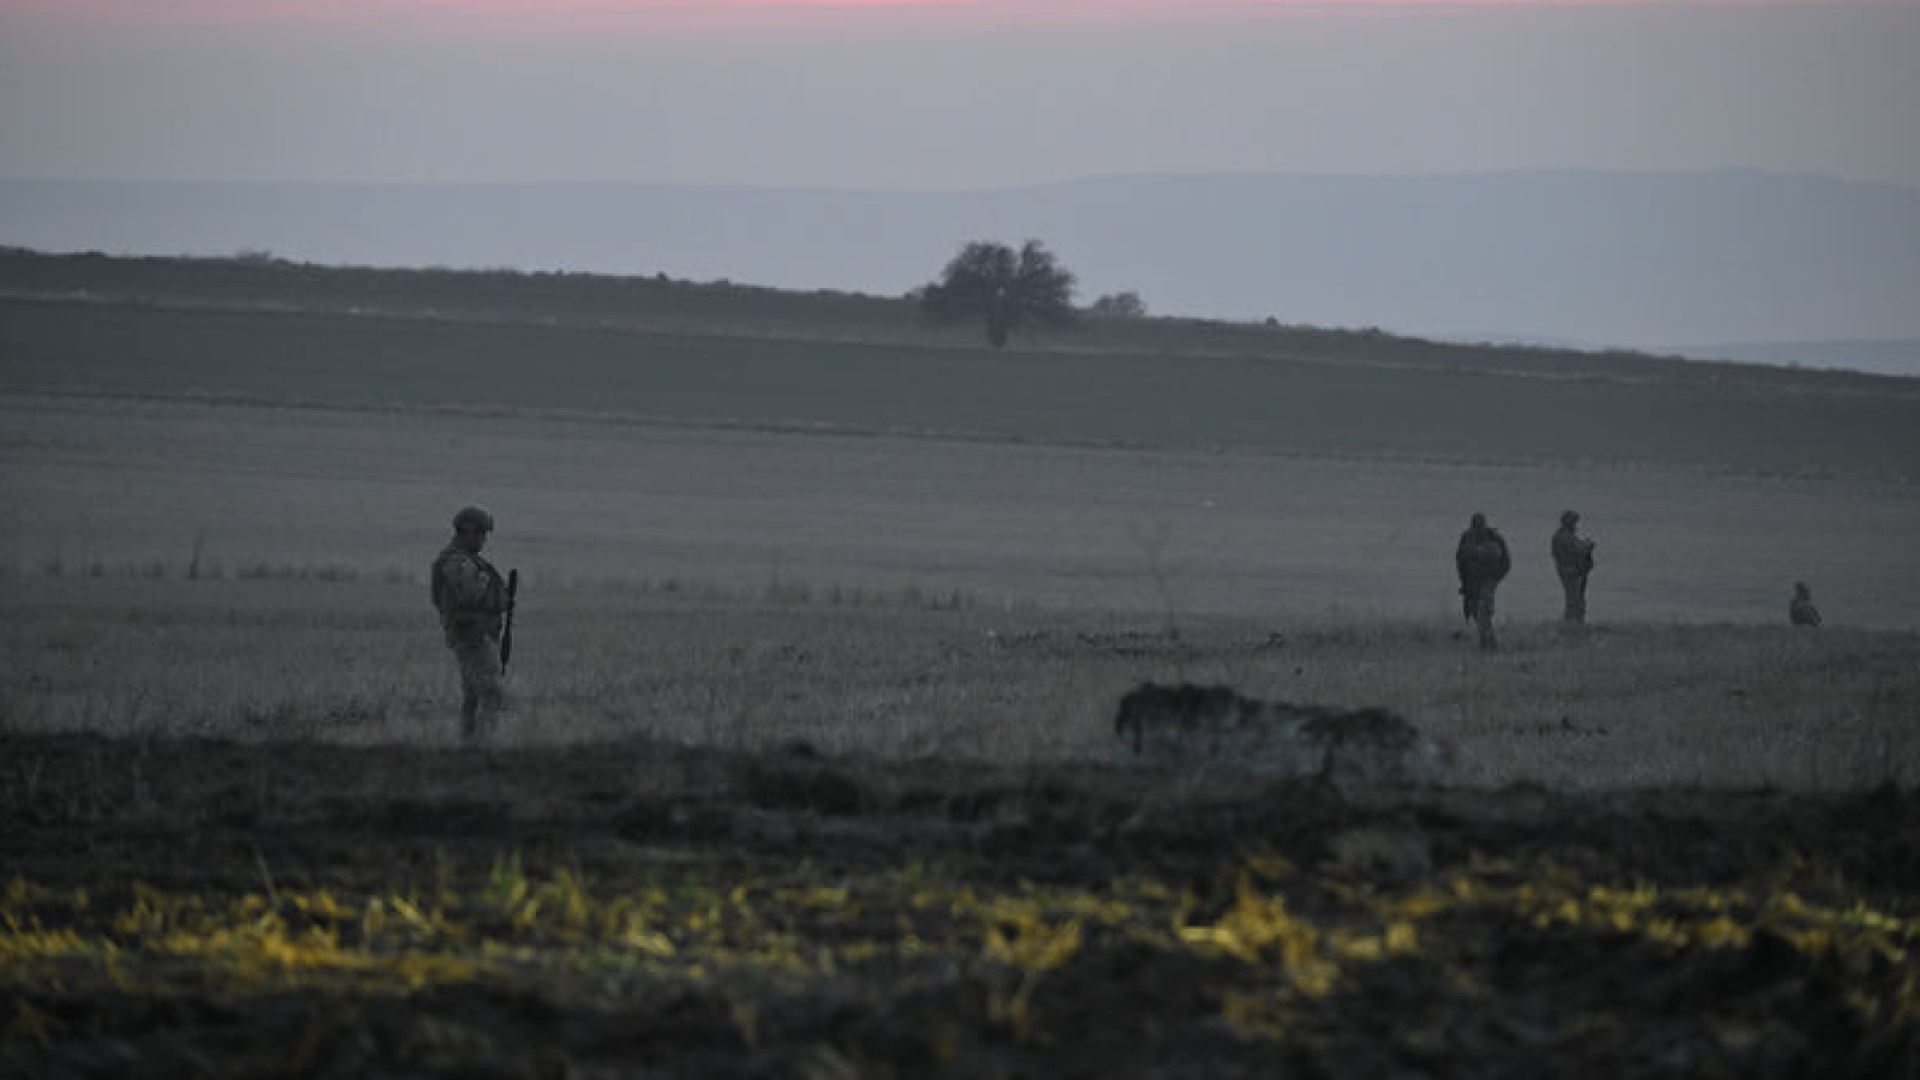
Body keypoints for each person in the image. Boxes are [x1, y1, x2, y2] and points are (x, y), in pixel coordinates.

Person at [431, 505, 510, 740]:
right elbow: (472, 593)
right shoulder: (453, 561)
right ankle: (482, 746)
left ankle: (468, 746)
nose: (484, 540)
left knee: (474, 697)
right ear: (467, 532)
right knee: (491, 694)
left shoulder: (466, 560)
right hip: (472, 637)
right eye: (481, 534)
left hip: (479, 635)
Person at [1455, 512, 1511, 651]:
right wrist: (1464, 581)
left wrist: (1495, 579)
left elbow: (1506, 563)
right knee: (1475, 613)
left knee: (1484, 612)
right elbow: (1460, 561)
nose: (1478, 529)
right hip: (1472, 581)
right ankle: (1485, 642)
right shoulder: (1467, 537)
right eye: (1476, 526)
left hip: (1488, 581)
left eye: (1480, 526)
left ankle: (1490, 645)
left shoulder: (1495, 538)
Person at [1550, 510, 1597, 624]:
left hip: (1573, 571)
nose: (1575, 525)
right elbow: (1578, 549)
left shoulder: (1565, 535)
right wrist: (1588, 544)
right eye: (1574, 522)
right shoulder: (1563, 536)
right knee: (1574, 599)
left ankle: (1575, 621)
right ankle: (1572, 622)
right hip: (1569, 571)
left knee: (1576, 599)